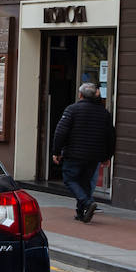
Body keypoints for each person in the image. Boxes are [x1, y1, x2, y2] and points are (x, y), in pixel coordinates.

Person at [52, 82, 115, 223]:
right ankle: (81, 213)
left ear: (80, 95)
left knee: (70, 179)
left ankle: (86, 203)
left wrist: (56, 151)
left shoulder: (72, 110)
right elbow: (110, 136)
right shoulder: (104, 112)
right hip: (94, 155)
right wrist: (107, 156)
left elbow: (61, 132)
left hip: (74, 154)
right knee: (85, 183)